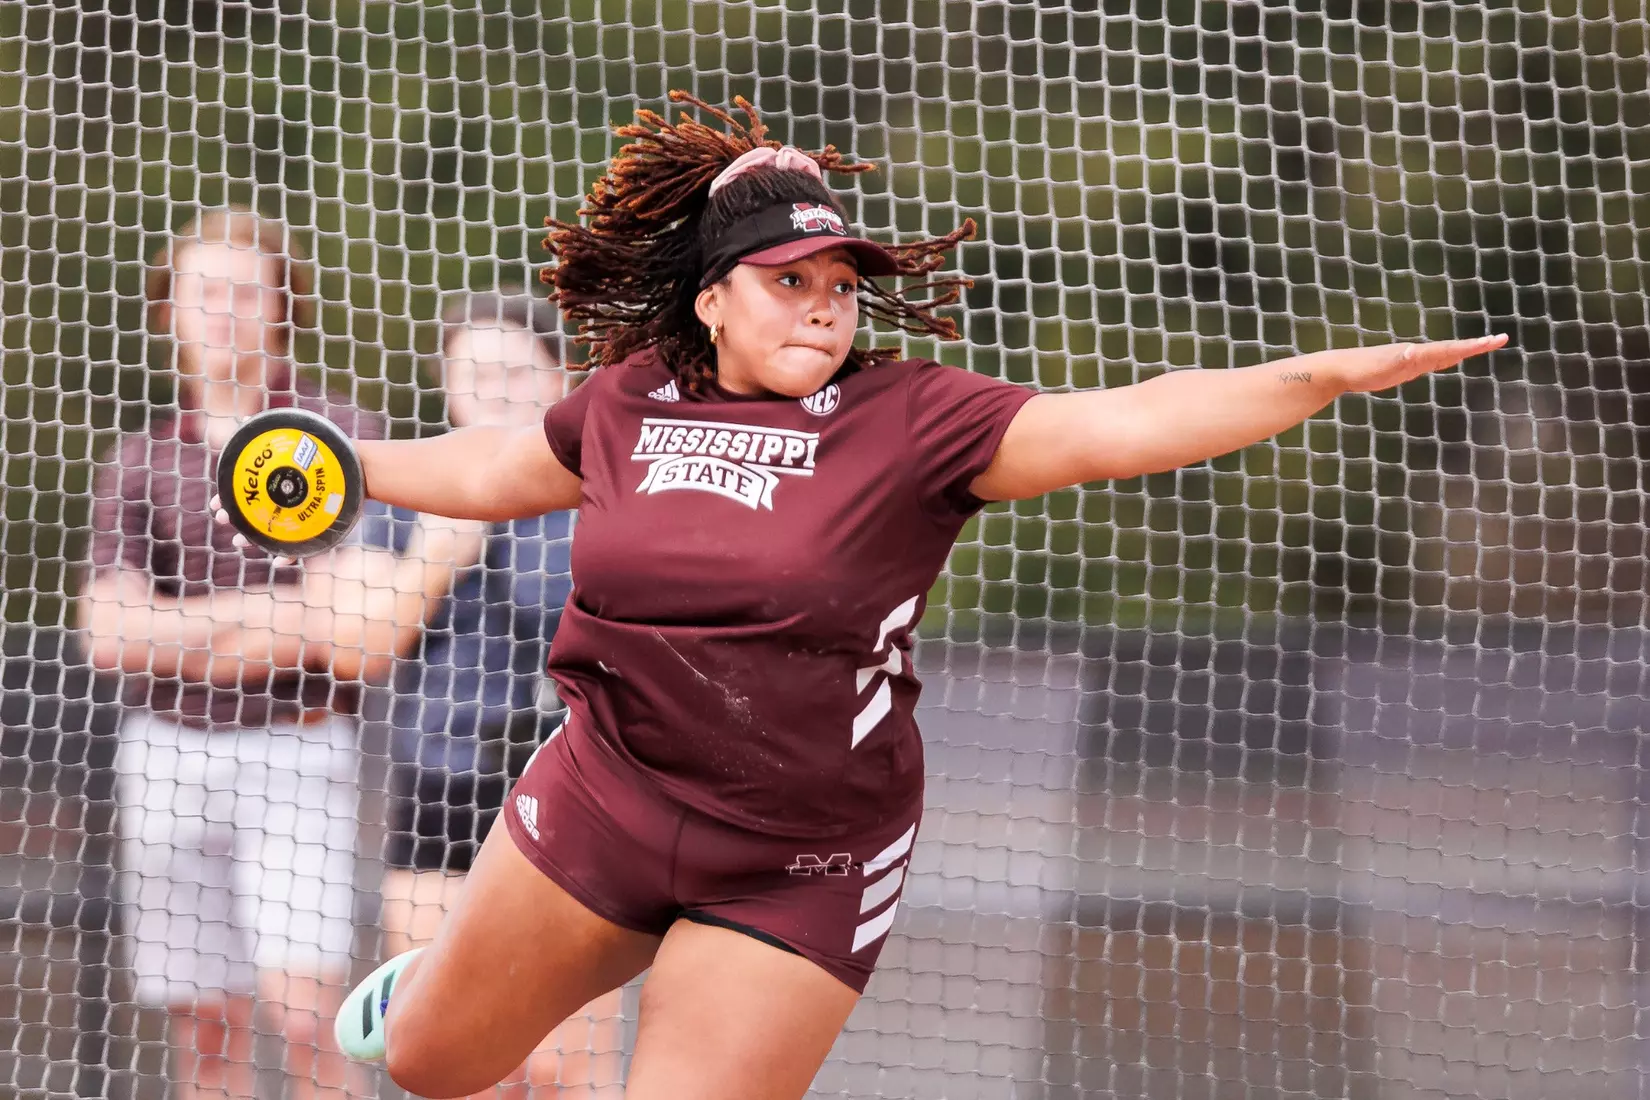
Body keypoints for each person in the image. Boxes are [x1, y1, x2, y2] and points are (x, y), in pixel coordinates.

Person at [226, 94, 1502, 1100]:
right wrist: (347, 464)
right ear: (711, 297)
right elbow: (501, 468)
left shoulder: (914, 419)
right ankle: (434, 990)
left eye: (841, 286)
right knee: (439, 1064)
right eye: (790, 281)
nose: (826, 306)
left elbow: (1124, 422)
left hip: (799, 854)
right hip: (608, 795)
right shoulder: (628, 402)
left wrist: (1318, 375)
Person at [78, 207, 486, 1100]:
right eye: (202, 292)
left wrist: (187, 629)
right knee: (206, 1030)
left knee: (309, 1019)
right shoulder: (140, 460)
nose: (222, 311)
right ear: (168, 311)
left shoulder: (340, 433)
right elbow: (108, 633)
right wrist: (267, 613)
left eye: (243, 291)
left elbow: (352, 634)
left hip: (300, 754)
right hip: (167, 756)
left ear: (282, 306)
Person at [365, 290, 623, 1097]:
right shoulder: (411, 487)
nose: (496, 389)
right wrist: (441, 551)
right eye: (473, 373)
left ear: (561, 378)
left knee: (561, 1068)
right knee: (449, 1059)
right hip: (442, 783)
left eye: (516, 370)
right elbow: (360, 646)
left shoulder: (606, 492)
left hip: (581, 795)